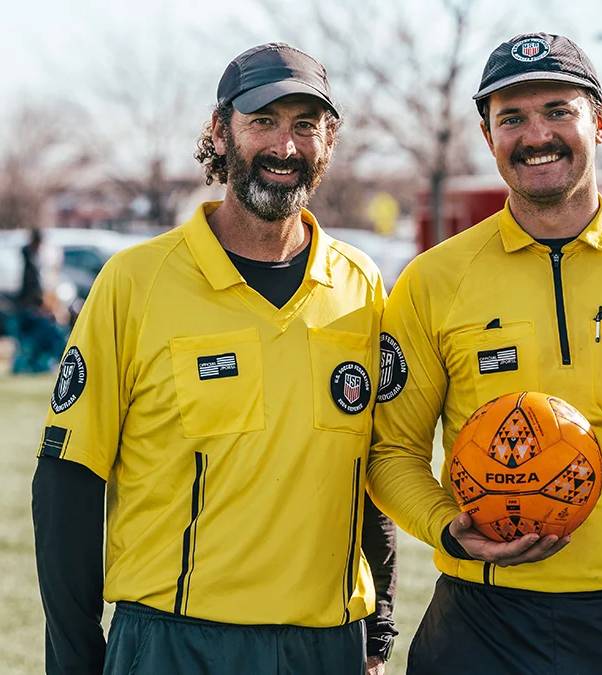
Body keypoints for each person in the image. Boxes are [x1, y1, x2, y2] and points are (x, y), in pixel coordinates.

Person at [367, 32, 602, 675]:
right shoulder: (434, 280)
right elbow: (390, 454)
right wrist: (448, 529)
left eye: (557, 110)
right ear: (488, 137)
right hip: (478, 624)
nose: (535, 134)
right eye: (511, 117)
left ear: (599, 120)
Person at [31, 42, 397, 674]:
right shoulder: (135, 282)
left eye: (305, 126)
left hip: (328, 645)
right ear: (220, 131)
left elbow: (372, 467)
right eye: (263, 122)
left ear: (328, 142)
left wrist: (378, 629)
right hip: (176, 644)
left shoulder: (360, 282)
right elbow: (68, 479)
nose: (285, 148)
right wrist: (73, 657)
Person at [12, 227, 67, 374]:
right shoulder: (30, 259)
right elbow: (32, 286)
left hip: (31, 309)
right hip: (28, 310)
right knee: (37, 339)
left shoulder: (35, 260)